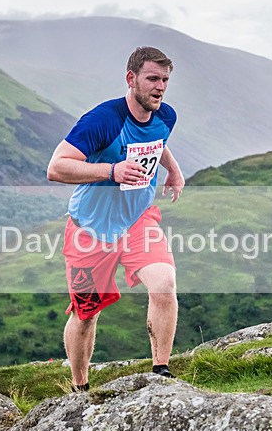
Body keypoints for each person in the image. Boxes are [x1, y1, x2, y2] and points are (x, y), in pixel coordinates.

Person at [46, 46, 185, 391]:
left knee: (164, 285)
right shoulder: (103, 119)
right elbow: (56, 167)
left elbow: (158, 139)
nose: (160, 87)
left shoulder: (165, 115)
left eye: (165, 80)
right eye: (153, 78)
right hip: (89, 230)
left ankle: (161, 375)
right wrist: (112, 170)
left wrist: (174, 171)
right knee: (86, 314)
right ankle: (80, 387)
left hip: (138, 221)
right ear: (131, 78)